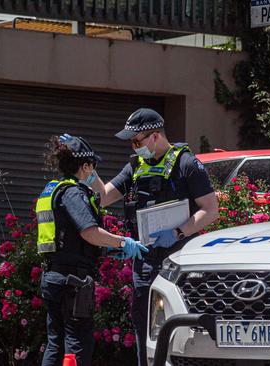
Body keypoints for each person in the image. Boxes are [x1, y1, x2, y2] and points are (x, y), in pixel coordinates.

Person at [91, 108, 219, 366]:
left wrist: (177, 232)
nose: (134, 146)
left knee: (178, 322)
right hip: (146, 260)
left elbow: (210, 210)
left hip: (179, 257)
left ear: (155, 136)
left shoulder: (186, 164)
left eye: (137, 141)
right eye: (131, 142)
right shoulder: (135, 166)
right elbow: (104, 196)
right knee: (142, 320)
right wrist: (87, 169)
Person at [38, 134, 149, 366]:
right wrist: (123, 242)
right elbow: (89, 232)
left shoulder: (53, 190)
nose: (94, 172)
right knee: (77, 343)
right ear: (85, 165)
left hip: (54, 275)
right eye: (93, 166)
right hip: (73, 282)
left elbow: (67, 239)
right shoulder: (74, 193)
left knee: (56, 343)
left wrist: (107, 250)